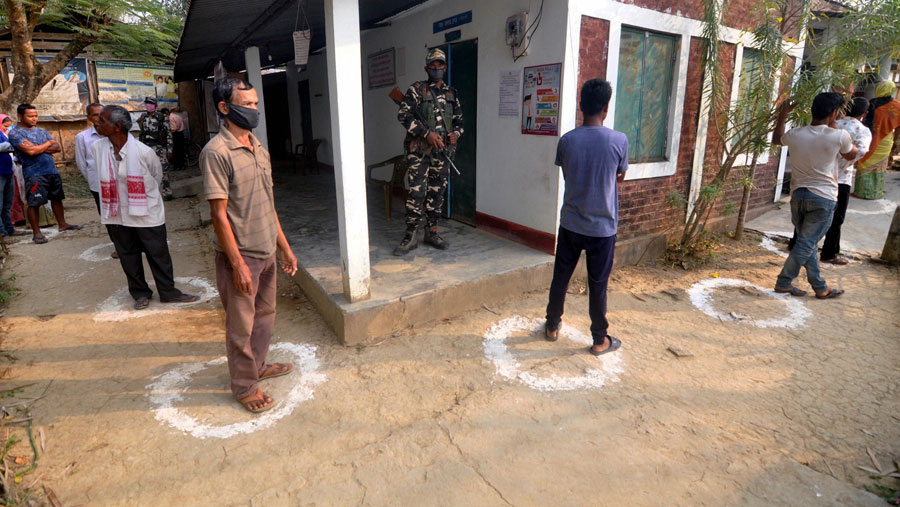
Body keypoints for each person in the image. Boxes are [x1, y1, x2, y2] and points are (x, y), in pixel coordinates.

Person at [200, 77, 298, 414]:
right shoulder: (217, 152)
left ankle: (257, 367)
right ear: (225, 108)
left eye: (256, 104)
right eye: (247, 104)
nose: (254, 109)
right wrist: (238, 263)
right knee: (241, 326)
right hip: (241, 256)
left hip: (267, 250)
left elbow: (268, 204)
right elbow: (218, 214)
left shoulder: (259, 148)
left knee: (265, 316)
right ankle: (244, 387)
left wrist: (283, 246)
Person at [544, 79, 627, 356]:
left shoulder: (567, 141)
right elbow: (619, 177)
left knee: (561, 277)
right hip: (602, 229)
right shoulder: (619, 141)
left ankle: (552, 325)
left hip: (571, 224)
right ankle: (599, 339)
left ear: (581, 105)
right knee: (598, 284)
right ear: (605, 107)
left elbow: (568, 175)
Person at [93, 105, 199, 310]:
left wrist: (137, 198)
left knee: (158, 253)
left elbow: (156, 176)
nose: (97, 124)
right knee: (127, 255)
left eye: (102, 121)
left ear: (117, 127)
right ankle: (140, 292)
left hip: (146, 212)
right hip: (117, 213)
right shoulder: (99, 148)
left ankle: (168, 292)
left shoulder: (143, 152)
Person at [772, 93, 857, 299]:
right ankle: (784, 282)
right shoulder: (839, 136)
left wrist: (782, 115)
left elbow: (776, 139)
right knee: (806, 244)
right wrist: (834, 125)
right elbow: (851, 154)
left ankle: (820, 287)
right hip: (823, 197)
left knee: (806, 242)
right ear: (833, 113)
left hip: (798, 195)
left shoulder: (795, 134)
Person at [393, 48, 464, 256]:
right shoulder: (417, 90)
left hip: (442, 154)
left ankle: (432, 231)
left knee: (437, 194)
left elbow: (459, 120)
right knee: (416, 193)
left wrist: (455, 134)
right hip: (420, 153)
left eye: (440, 64)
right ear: (426, 68)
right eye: (432, 65)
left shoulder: (452, 93)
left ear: (445, 66)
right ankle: (411, 234)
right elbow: (403, 115)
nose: (436, 68)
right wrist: (426, 134)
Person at [788, 97, 871, 264]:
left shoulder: (829, 123)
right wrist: (845, 162)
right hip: (840, 179)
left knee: (805, 217)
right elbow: (859, 152)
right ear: (865, 113)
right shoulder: (862, 131)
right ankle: (829, 253)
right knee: (835, 219)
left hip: (813, 177)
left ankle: (796, 245)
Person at [8, 103, 81, 243]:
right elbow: (30, 151)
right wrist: (47, 145)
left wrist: (37, 147)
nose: (34, 118)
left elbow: (57, 147)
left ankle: (63, 224)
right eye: (30, 116)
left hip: (51, 170)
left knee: (57, 198)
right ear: (20, 116)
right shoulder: (15, 133)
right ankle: (37, 233)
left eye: (35, 116)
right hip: (33, 172)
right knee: (34, 203)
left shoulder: (41, 131)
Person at [76, 102, 119, 259]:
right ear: (89, 117)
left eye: (102, 114)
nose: (99, 118)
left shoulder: (114, 132)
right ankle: (119, 246)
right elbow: (82, 163)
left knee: (123, 211)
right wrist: (93, 181)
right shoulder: (82, 138)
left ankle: (131, 243)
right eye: (95, 115)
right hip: (98, 185)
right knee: (108, 216)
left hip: (118, 181)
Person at [854, 80, 900, 199]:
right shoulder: (897, 106)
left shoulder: (870, 103)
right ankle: (875, 193)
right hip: (885, 140)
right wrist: (895, 141)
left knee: (864, 162)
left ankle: (860, 192)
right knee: (880, 166)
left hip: (868, 138)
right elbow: (898, 127)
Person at [137, 97, 173, 200]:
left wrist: (170, 150)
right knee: (147, 171)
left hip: (159, 148)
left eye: (150, 103)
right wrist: (139, 123)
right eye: (147, 103)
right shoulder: (143, 117)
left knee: (163, 170)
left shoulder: (162, 117)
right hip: (146, 148)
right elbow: (142, 132)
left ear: (155, 106)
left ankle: (167, 192)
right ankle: (152, 193)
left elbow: (169, 134)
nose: (148, 105)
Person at [0, 114, 15, 238]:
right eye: (5, 126)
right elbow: (8, 146)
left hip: (8, 172)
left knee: (7, 203)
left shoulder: (3, 135)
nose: (7, 129)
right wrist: (9, 145)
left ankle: (9, 230)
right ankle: (2, 234)